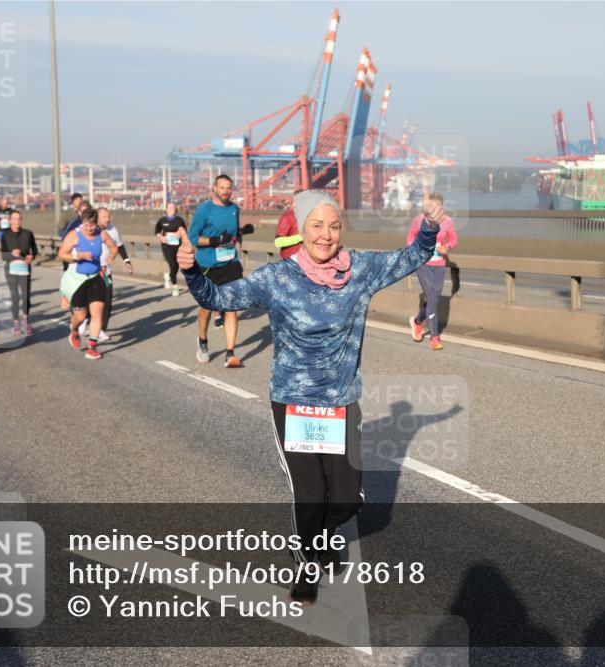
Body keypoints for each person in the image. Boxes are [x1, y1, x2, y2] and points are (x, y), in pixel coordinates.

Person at [178, 189, 444, 605]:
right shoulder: (278, 277)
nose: (326, 235)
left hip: (339, 400)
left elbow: (410, 257)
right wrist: (193, 270)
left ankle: (320, 537)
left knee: (345, 500)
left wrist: (429, 226)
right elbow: (217, 298)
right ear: (301, 229)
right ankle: (307, 561)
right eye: (316, 226)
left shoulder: (360, 269)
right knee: (309, 492)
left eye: (334, 226)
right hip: (294, 400)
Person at [187, 174, 243, 366]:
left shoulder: (235, 209)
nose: (226, 191)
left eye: (229, 188)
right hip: (208, 264)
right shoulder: (204, 210)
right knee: (207, 308)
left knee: (231, 308)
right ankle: (202, 340)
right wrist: (212, 241)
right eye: (222, 187)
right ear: (214, 188)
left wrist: (239, 237)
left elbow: (235, 235)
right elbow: (193, 237)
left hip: (230, 263)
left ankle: (230, 353)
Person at [58, 207, 118, 360]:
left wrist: (112, 256)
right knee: (81, 316)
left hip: (96, 277)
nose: (89, 228)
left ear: (96, 223)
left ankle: (92, 347)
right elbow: (62, 254)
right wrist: (78, 256)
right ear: (82, 222)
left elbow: (113, 246)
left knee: (97, 313)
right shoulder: (74, 235)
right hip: (79, 280)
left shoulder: (101, 234)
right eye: (86, 225)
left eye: (92, 225)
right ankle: (73, 329)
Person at [406, 192, 458, 351]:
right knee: (432, 299)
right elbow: (410, 237)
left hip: (439, 264)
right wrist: (415, 249)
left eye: (438, 207)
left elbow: (454, 240)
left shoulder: (448, 221)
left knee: (433, 297)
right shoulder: (419, 220)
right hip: (424, 264)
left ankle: (416, 321)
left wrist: (447, 247)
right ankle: (435, 338)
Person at [94, 206, 132, 339]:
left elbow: (120, 246)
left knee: (107, 300)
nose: (108, 219)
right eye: (104, 217)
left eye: (108, 216)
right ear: (97, 217)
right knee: (92, 301)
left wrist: (127, 261)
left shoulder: (113, 230)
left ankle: (101, 329)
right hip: (91, 271)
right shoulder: (90, 230)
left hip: (105, 272)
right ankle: (87, 321)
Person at [0, 210, 38, 335]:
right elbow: (3, 256)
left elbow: (35, 251)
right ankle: (16, 323)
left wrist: (31, 257)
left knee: (26, 296)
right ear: (10, 220)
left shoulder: (28, 234)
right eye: (14, 219)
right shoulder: (5, 235)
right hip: (11, 269)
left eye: (19, 219)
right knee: (15, 297)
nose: (17, 221)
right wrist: (11, 254)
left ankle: (25, 321)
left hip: (24, 269)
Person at [155, 202, 187, 297]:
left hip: (177, 245)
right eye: (170, 207)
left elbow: (184, 231)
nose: (172, 209)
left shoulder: (179, 220)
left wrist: (179, 233)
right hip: (166, 245)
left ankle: (168, 276)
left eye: (173, 207)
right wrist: (161, 237)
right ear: (166, 209)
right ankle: (175, 287)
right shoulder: (162, 220)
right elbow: (156, 231)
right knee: (172, 265)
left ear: (176, 209)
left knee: (177, 266)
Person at [274, 194, 303, 259]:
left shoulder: (311, 216)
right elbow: (278, 242)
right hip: (290, 262)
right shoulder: (287, 217)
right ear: (294, 203)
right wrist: (301, 237)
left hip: (309, 263)